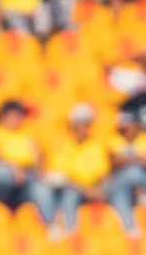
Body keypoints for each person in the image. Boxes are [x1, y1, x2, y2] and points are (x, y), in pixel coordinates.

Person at [42, 102, 110, 240]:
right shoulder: (62, 144)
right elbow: (58, 177)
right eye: (79, 124)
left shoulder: (95, 146)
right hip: (63, 189)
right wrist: (82, 188)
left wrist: (96, 189)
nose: (82, 128)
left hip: (87, 191)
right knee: (65, 193)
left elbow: (101, 174)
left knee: (73, 194)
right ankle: (65, 230)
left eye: (86, 124)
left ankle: (69, 232)